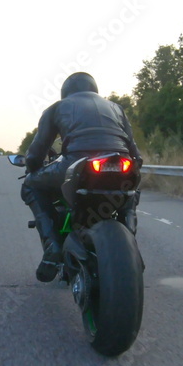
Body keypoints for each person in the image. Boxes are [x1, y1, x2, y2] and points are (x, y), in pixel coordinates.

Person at [22, 72, 143, 282]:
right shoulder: (116, 108)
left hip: (76, 164)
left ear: (65, 92)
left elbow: (35, 154)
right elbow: (136, 155)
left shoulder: (56, 108)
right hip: (121, 163)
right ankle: (130, 245)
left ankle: (52, 246)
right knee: (130, 190)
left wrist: (32, 169)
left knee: (31, 184)